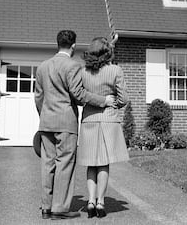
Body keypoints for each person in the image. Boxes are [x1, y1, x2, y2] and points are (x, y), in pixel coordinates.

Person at [35, 30, 114, 220]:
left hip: (46, 122)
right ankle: (59, 209)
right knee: (65, 164)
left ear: (57, 44)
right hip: (66, 123)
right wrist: (103, 100)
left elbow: (38, 97)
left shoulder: (42, 67)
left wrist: (44, 115)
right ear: (73, 46)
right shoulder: (73, 66)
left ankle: (46, 207)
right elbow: (79, 95)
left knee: (47, 164)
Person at [77, 37, 129, 218]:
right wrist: (112, 104)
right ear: (107, 52)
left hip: (89, 119)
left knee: (91, 163)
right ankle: (100, 202)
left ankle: (90, 201)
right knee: (103, 163)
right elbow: (124, 99)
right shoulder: (115, 70)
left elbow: (79, 96)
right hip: (108, 120)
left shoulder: (83, 72)